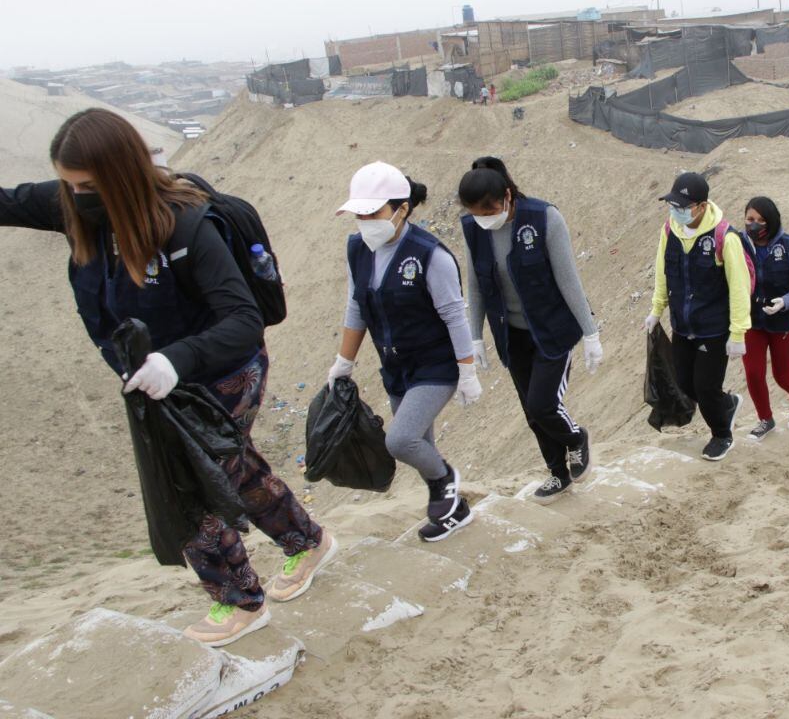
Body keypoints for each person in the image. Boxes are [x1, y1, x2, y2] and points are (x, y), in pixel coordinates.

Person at [0, 108, 332, 647]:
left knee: (188, 486)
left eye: (86, 185)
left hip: (220, 376)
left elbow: (243, 320)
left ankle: (241, 601)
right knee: (235, 466)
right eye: (67, 184)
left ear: (120, 175)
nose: (75, 196)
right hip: (156, 385)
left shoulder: (184, 225)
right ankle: (308, 541)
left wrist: (175, 360)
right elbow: (9, 201)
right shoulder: (77, 207)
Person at [329, 162, 480, 542]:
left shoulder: (430, 255)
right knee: (420, 445)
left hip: (436, 365)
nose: (365, 222)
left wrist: (467, 371)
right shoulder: (358, 250)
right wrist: (344, 362)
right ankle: (454, 510)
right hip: (395, 366)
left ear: (402, 208)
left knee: (400, 441)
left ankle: (445, 479)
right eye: (359, 214)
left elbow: (454, 316)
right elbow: (355, 306)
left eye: (373, 213)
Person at [461, 157, 603, 499]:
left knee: (543, 404)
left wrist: (590, 333)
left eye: (488, 210)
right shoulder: (474, 229)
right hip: (511, 334)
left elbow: (568, 280)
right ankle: (557, 473)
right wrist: (475, 337)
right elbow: (477, 285)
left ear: (507, 196)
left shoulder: (543, 219)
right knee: (530, 411)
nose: (482, 219)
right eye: (475, 213)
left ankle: (576, 439)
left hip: (552, 330)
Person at [644, 172, 749, 460]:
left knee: (705, 387)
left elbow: (739, 288)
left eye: (682, 207)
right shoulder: (669, 232)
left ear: (701, 206)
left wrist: (738, 333)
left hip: (714, 329)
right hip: (682, 325)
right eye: (673, 206)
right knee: (686, 384)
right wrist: (656, 309)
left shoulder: (724, 238)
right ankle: (727, 403)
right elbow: (663, 273)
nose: (676, 211)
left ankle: (722, 434)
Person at [741, 196, 789, 440]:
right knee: (753, 372)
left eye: (761, 220)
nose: (755, 225)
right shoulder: (739, 245)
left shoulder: (788, 245)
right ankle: (765, 418)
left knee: (782, 374)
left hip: (785, 322)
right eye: (750, 219)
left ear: (771, 221)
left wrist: (786, 301)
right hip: (753, 320)